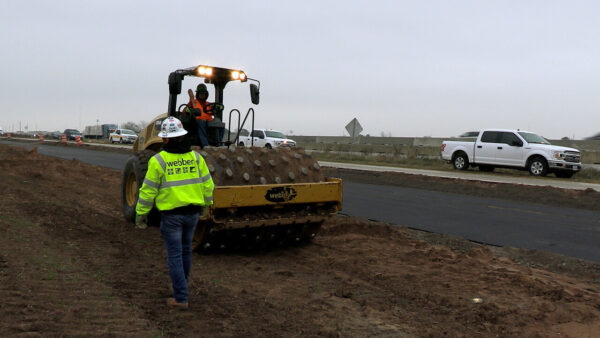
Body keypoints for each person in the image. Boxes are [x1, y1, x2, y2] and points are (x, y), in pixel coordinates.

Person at [135, 116, 214, 309]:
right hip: (192, 214)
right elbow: (208, 184)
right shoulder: (196, 157)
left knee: (175, 255)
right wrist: (206, 204)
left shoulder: (158, 160)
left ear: (166, 139)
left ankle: (180, 297)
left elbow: (148, 191)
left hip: (172, 217)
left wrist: (141, 213)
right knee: (186, 251)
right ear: (182, 136)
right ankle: (182, 287)